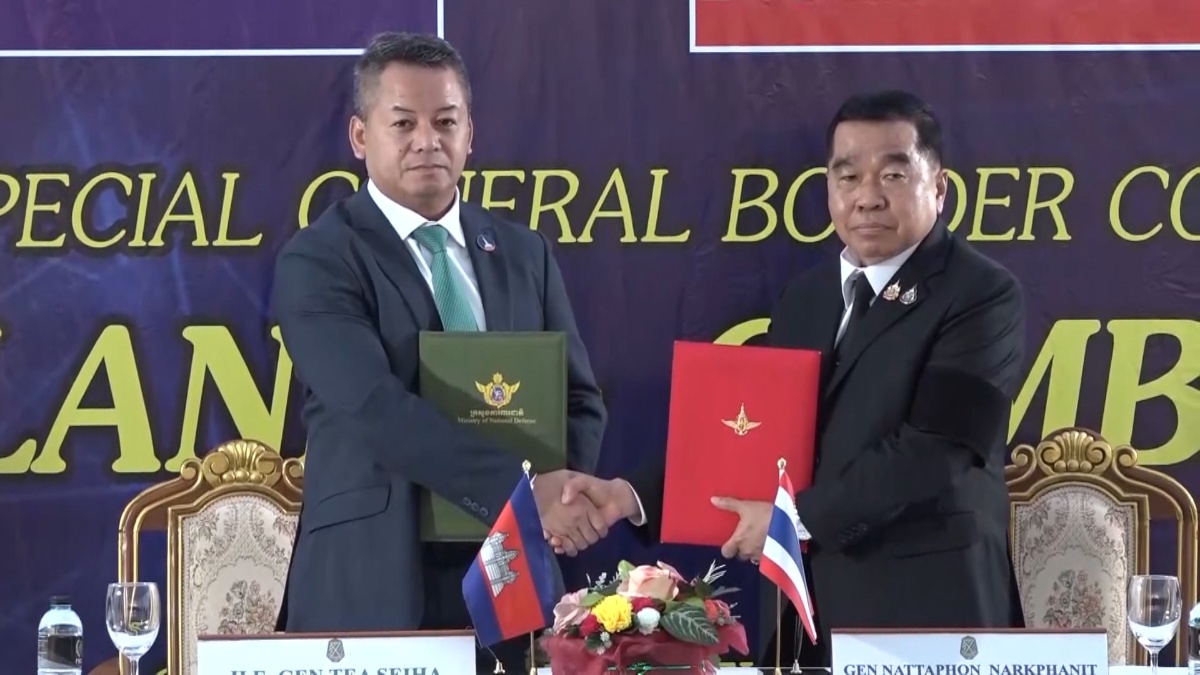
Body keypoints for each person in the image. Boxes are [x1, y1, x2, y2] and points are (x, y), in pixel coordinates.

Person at [553, 90, 1027, 666]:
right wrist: (627, 496)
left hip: (929, 610)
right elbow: (750, 438)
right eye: (848, 177)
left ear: (940, 188)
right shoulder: (809, 298)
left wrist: (789, 521)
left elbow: (935, 452)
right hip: (808, 614)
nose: (868, 196)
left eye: (893, 175)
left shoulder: (982, 295)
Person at [271, 32, 610, 673]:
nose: (427, 140)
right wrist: (524, 493)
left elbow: (578, 399)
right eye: (403, 123)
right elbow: (373, 407)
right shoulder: (318, 258)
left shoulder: (524, 253)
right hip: (373, 582)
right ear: (360, 136)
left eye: (446, 121)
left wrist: (557, 507)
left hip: (511, 577)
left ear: (470, 134)